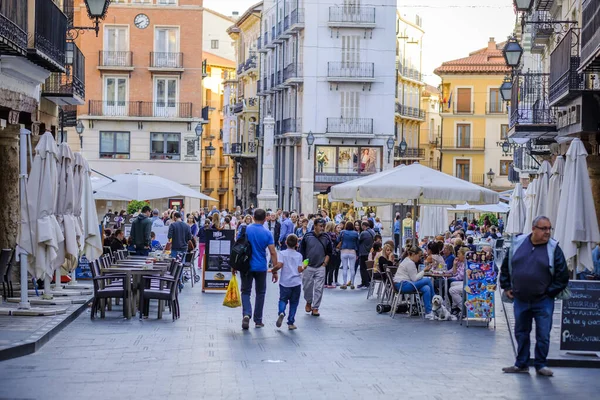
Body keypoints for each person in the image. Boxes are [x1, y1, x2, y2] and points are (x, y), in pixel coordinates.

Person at [500, 216, 569, 377]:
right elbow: (506, 266)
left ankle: (540, 364)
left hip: (543, 300)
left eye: (549, 228)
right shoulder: (518, 244)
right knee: (521, 332)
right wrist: (507, 286)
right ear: (533, 229)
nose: (547, 232)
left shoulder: (553, 248)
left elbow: (562, 275)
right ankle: (521, 364)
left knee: (543, 334)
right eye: (543, 228)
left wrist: (549, 292)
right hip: (521, 299)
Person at [239, 209, 278, 330]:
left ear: (253, 217)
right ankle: (258, 320)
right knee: (260, 293)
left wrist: (234, 266)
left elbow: (237, 247)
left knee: (245, 291)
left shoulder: (245, 229)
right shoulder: (267, 233)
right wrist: (275, 270)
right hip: (261, 266)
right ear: (265, 218)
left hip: (246, 265)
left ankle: (246, 313)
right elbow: (272, 252)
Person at [299, 218, 332, 317]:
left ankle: (316, 307)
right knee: (307, 286)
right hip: (308, 266)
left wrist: (325, 263)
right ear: (315, 226)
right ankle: (308, 301)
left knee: (319, 288)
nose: (322, 228)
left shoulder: (326, 237)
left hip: (320, 266)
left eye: (323, 226)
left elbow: (329, 252)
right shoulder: (307, 236)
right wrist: (304, 264)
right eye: (320, 226)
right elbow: (302, 250)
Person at [393, 246, 435, 320]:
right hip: (403, 285)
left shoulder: (407, 260)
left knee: (426, 288)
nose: (419, 258)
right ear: (413, 254)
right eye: (419, 256)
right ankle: (435, 302)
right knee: (428, 280)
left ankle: (428, 312)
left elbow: (414, 277)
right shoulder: (410, 263)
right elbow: (414, 278)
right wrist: (424, 271)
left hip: (402, 284)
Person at [272, 234, 303, 330]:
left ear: (286, 243)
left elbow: (280, 264)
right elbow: (299, 269)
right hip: (296, 282)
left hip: (285, 282)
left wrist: (273, 270)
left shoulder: (282, 253)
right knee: (294, 303)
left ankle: (281, 312)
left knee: (282, 299)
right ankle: (291, 322)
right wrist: (304, 267)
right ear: (297, 244)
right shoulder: (299, 255)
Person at [339, 221, 359, 290]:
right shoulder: (356, 233)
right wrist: (358, 253)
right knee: (352, 268)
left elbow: (338, 240)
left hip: (344, 250)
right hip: (352, 251)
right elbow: (357, 243)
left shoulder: (342, 232)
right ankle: (352, 283)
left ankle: (344, 283)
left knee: (344, 268)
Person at [448, 247, 467, 315]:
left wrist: (452, 276)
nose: (457, 256)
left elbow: (459, 276)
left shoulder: (465, 264)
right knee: (452, 283)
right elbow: (455, 273)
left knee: (451, 289)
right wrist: (454, 264)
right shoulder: (461, 263)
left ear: (464, 255)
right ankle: (455, 306)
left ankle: (463, 308)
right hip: (464, 281)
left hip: (467, 283)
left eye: (459, 254)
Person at [357, 221, 375, 289]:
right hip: (370, 252)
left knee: (363, 268)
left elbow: (358, 240)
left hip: (363, 252)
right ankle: (368, 281)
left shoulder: (363, 233)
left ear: (364, 226)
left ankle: (364, 282)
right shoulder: (372, 232)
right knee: (368, 267)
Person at [324, 221, 340, 289]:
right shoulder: (333, 234)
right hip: (333, 253)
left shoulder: (324, 234)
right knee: (332, 268)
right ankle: (330, 283)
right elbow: (336, 242)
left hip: (325, 253)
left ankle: (324, 283)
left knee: (326, 268)